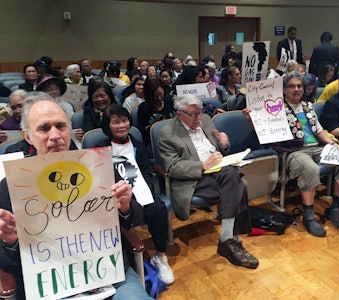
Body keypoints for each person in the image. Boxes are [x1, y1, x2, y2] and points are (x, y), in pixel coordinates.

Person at [0, 94, 151, 300]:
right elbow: (6, 261)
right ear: (28, 136)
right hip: (49, 283)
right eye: (44, 128)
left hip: (107, 273)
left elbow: (137, 218)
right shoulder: (12, 186)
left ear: (69, 130)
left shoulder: (98, 168)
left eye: (61, 126)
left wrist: (126, 208)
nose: (55, 135)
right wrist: (10, 243)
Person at [158, 94, 258, 269]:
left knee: (232, 177)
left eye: (200, 112)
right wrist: (202, 165)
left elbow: (218, 150)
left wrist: (224, 144)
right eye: (193, 114)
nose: (199, 117)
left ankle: (228, 241)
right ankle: (231, 240)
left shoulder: (205, 120)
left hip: (218, 170)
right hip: (195, 178)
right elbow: (173, 167)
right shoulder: (167, 133)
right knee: (238, 185)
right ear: (180, 114)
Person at [247, 71, 339, 234]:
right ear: (284, 90)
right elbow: (263, 130)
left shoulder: (308, 106)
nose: (296, 89)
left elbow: (319, 130)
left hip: (316, 147)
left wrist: (333, 144)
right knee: (310, 169)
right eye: (292, 86)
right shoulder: (276, 109)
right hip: (294, 151)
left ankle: (335, 208)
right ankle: (308, 216)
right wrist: (251, 121)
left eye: (299, 86)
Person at [100, 104, 174, 285]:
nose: (121, 126)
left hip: (140, 190)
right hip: (116, 196)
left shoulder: (138, 145)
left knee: (158, 208)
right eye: (115, 122)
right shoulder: (100, 149)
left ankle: (160, 254)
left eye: (124, 121)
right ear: (107, 126)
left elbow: (147, 171)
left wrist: (145, 188)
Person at [137, 77, 175, 157]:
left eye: (160, 94)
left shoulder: (170, 101)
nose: (159, 98)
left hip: (173, 137)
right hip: (153, 142)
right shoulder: (143, 108)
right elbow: (141, 130)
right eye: (155, 96)